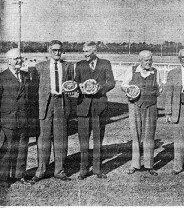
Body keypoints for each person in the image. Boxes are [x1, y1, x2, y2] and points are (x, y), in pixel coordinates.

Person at [32, 40, 74, 183]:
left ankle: (59, 170)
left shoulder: (68, 67)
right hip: (46, 105)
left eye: (60, 50)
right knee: (43, 139)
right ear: (49, 51)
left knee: (61, 138)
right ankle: (41, 171)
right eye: (54, 50)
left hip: (61, 103)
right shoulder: (39, 67)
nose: (57, 53)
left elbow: (71, 87)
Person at [75, 41, 115, 180]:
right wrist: (79, 86)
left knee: (98, 140)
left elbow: (111, 82)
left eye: (87, 51)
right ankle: (83, 170)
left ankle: (97, 169)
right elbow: (75, 82)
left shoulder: (105, 63)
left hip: (99, 107)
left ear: (95, 52)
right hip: (83, 107)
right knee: (83, 140)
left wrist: (101, 88)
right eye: (83, 51)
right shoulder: (79, 65)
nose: (85, 54)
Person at [121, 50, 162, 176]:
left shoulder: (155, 72)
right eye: (146, 60)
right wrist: (130, 90)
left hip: (151, 106)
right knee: (136, 135)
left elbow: (159, 89)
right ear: (140, 60)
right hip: (135, 105)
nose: (149, 62)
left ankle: (149, 165)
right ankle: (135, 164)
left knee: (149, 136)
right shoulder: (132, 70)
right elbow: (123, 85)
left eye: (150, 59)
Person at [0, 48, 32, 187]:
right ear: (9, 61)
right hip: (9, 120)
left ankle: (20, 175)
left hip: (24, 119)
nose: (19, 60)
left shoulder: (25, 75)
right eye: (16, 58)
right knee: (7, 150)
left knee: (22, 149)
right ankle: (3, 179)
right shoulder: (2, 77)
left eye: (20, 58)